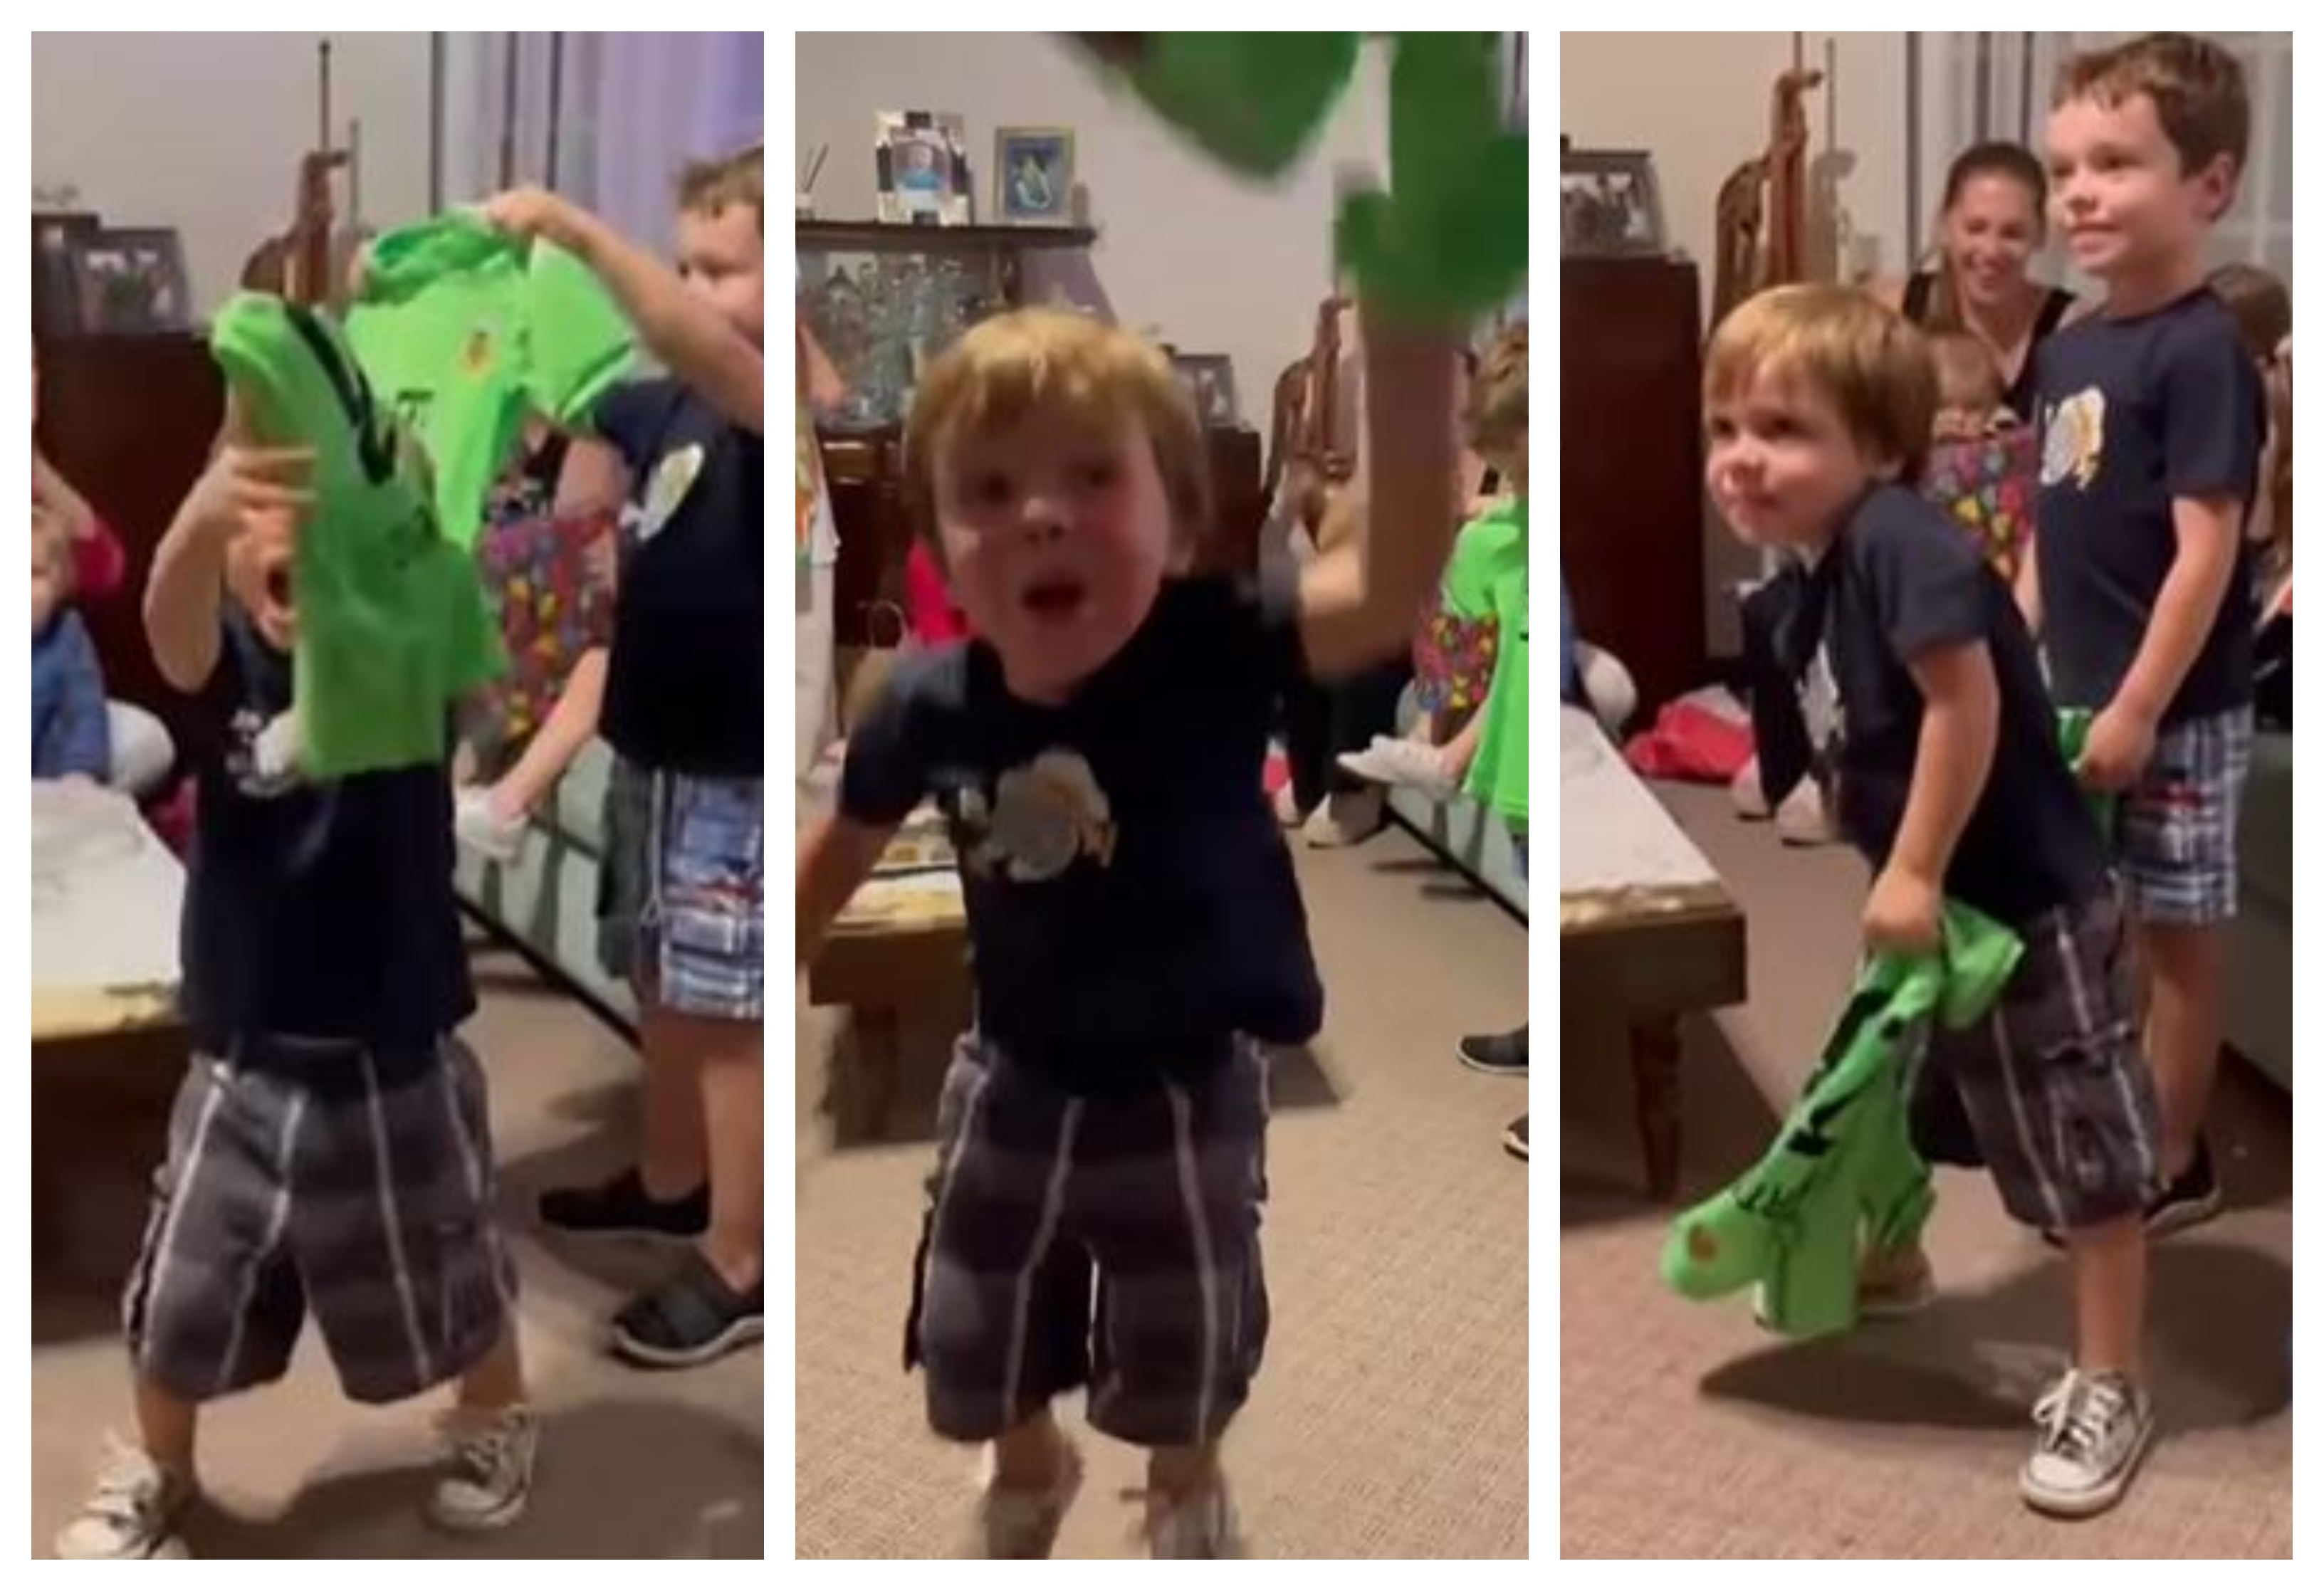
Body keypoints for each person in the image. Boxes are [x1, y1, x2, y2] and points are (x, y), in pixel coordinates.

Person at [797, 303, 1463, 1556]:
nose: (1039, 513)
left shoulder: (1216, 645)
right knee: (974, 1315)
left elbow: (1388, 580)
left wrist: (1408, 370)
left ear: (1177, 517)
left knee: (1185, 1323)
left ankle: (1179, 1481)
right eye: (987, 490)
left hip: (1188, 1075)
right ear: (935, 543)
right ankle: (1029, 1456)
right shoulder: (922, 703)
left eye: (1091, 476)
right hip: (1014, 1067)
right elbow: (830, 861)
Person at [1709, 283, 2159, 1517]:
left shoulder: (1898, 543)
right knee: (1899, 1099)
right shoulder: (1800, 579)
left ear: (1878, 448)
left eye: (1781, 430)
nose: (1741, 458)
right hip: (1933, 917)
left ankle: (2111, 1380)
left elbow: (1966, 707)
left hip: (2026, 910)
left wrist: (1907, 870)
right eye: (1724, 427)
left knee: (2083, 1160)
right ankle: (1895, 1256)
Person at [55, 403, 533, 1559]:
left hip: (398, 1043)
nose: (299, 547)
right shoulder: (224, 661)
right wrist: (216, 495)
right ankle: (160, 1465)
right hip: (243, 1046)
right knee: (184, 1281)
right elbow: (166, 615)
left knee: (451, 1260)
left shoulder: (411, 656)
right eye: (267, 518)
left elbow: (479, 672)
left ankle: (493, 1414)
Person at [483, 142, 765, 1368]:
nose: (698, 292)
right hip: (652, 737)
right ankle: (668, 1178)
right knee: (660, 976)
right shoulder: (664, 407)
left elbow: (715, 354)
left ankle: (741, 1259)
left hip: (731, 760)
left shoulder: (772, 398)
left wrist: (575, 225)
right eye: (687, 265)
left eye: (725, 266)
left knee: (723, 1003)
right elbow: (570, 436)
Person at [2030, 34, 2261, 1239]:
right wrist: (2014, 646)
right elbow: (2045, 520)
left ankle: (2173, 1157)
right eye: (2064, 166)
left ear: (2206, 187)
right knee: (2097, 924)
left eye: (2114, 163)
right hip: (2068, 688)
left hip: (2170, 706)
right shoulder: (2066, 343)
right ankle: (2119, 1121)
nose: (2076, 191)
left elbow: (2204, 550)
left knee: (2175, 938)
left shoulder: (2201, 351)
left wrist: (2133, 706)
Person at [1877, 141, 2080, 421]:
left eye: (2012, 233)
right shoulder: (1890, 310)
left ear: (2040, 234)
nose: (1991, 250)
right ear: (1945, 226)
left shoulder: (2074, 326)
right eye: (1975, 228)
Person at [31, 508, 109, 781]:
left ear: (60, 583)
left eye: (34, 574)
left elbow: (85, 711)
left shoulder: (67, 636)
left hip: (42, 791)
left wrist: (80, 773)